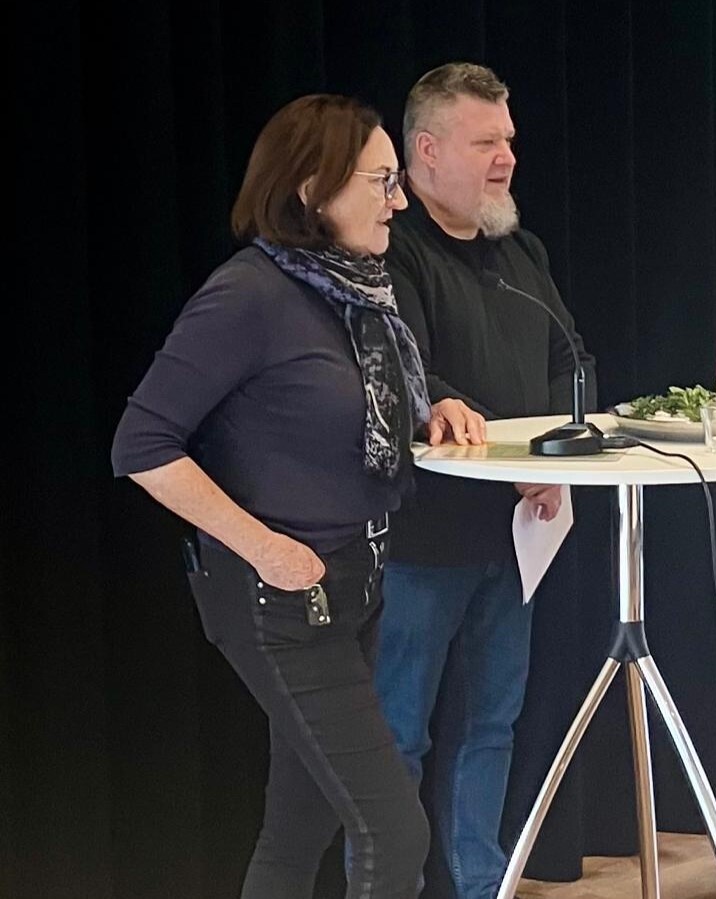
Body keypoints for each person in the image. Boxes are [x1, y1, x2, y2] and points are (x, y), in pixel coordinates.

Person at [111, 94, 485, 899]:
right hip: (280, 598)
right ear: (314, 188)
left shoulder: (354, 290)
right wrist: (264, 547)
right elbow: (140, 444)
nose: (398, 201)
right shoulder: (247, 294)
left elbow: (357, 390)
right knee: (393, 828)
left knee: (300, 821)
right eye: (382, 181)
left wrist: (433, 402)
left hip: (357, 580)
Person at [372, 63, 595, 899]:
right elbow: (405, 374)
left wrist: (563, 449)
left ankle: (477, 884)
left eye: (509, 140)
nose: (506, 158)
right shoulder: (393, 249)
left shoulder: (520, 252)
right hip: (424, 541)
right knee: (399, 733)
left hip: (515, 536)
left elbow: (571, 359)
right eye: (486, 142)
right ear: (426, 152)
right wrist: (467, 420)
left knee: (491, 724)